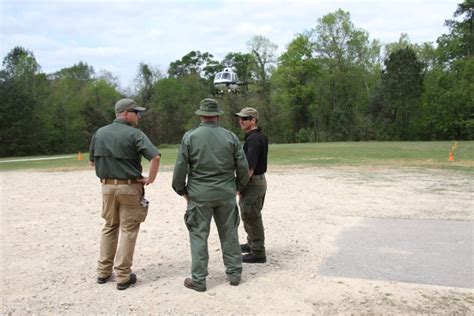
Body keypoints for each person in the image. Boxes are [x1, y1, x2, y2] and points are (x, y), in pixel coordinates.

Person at [172, 98, 249, 292]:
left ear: (201, 115)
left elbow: (181, 167)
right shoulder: (230, 137)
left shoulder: (190, 137)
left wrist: (182, 190)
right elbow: (242, 165)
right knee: (230, 233)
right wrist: (237, 186)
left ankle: (199, 279)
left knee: (199, 236)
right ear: (217, 116)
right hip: (225, 193)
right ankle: (234, 274)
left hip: (199, 194)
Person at [89, 98, 161, 290]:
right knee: (128, 229)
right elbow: (155, 156)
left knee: (109, 226)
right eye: (136, 112)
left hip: (106, 187)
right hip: (129, 187)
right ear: (126, 113)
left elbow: (92, 162)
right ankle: (123, 275)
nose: (139, 116)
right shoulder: (134, 134)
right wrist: (150, 179)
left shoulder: (100, 133)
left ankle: (103, 272)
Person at [234, 107, 269, 263]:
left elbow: (249, 168)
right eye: (240, 118)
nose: (241, 121)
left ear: (253, 120)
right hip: (257, 181)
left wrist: (239, 186)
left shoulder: (254, 139)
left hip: (253, 182)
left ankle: (258, 252)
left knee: (252, 216)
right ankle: (251, 243)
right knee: (248, 215)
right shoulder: (256, 137)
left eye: (245, 118)